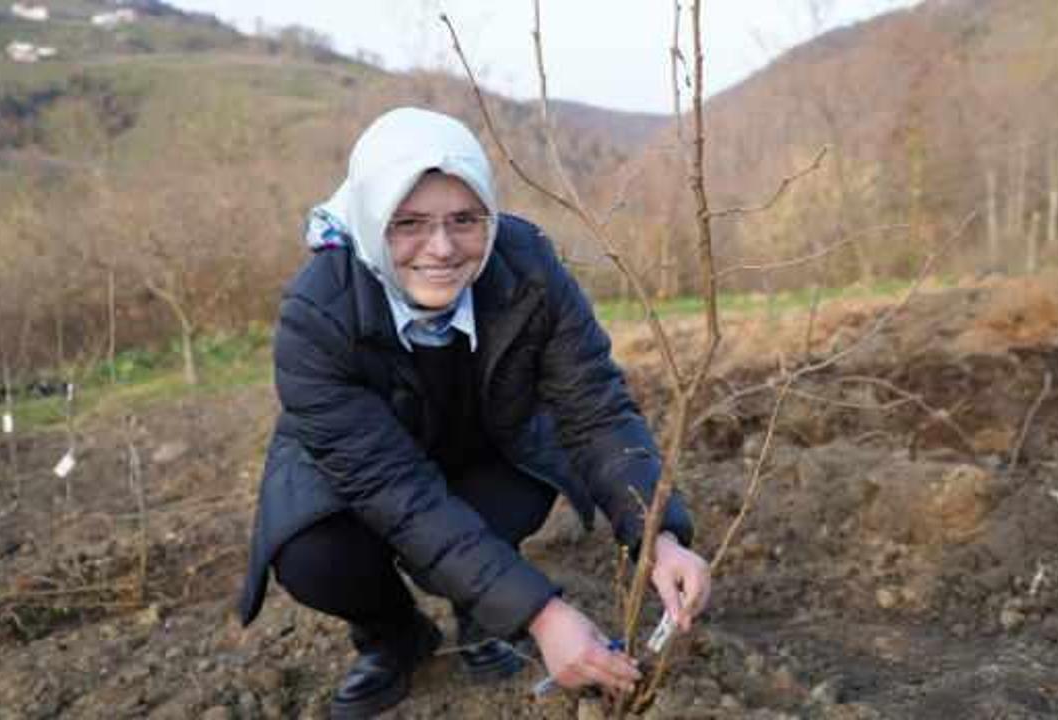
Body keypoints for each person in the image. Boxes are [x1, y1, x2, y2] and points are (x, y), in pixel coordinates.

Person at [237, 107, 711, 718]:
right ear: (371, 220)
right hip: (358, 470)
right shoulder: (317, 311)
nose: (441, 248)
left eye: (465, 220)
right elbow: (393, 487)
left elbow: (594, 406)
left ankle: (477, 613)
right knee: (316, 559)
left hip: (479, 443)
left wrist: (659, 537)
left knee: (513, 499)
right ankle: (394, 637)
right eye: (407, 223)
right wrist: (541, 615)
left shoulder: (528, 267)